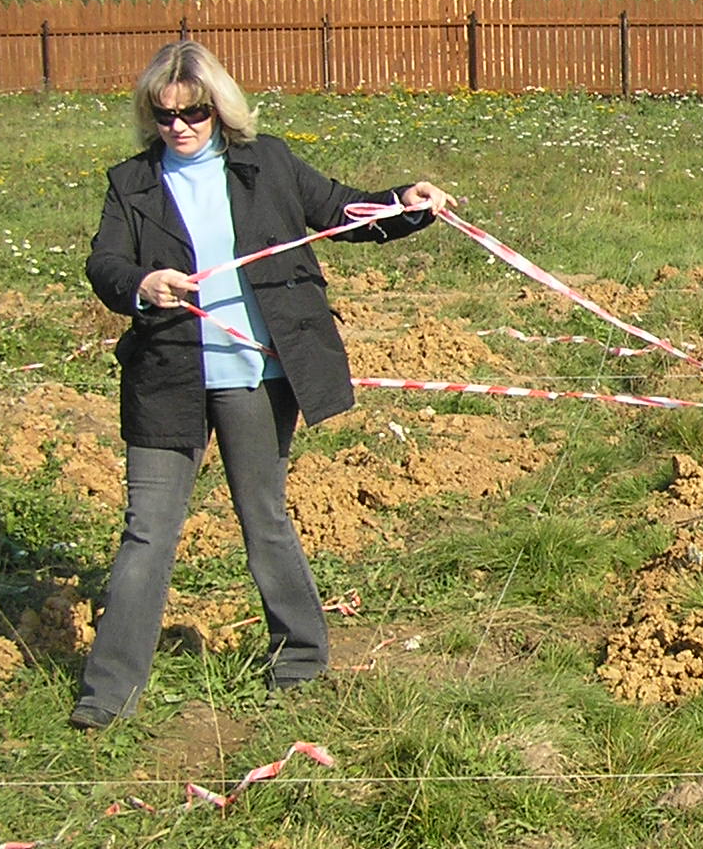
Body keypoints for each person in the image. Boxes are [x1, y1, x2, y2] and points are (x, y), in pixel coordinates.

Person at [74, 40, 451, 728]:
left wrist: (405, 202)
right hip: (168, 381)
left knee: (264, 518)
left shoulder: (266, 163)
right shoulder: (130, 184)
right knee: (147, 534)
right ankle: (108, 694)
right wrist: (141, 285)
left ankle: (301, 660)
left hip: (258, 378)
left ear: (219, 109)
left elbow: (341, 211)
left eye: (194, 113)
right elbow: (104, 264)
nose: (179, 127)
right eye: (164, 116)